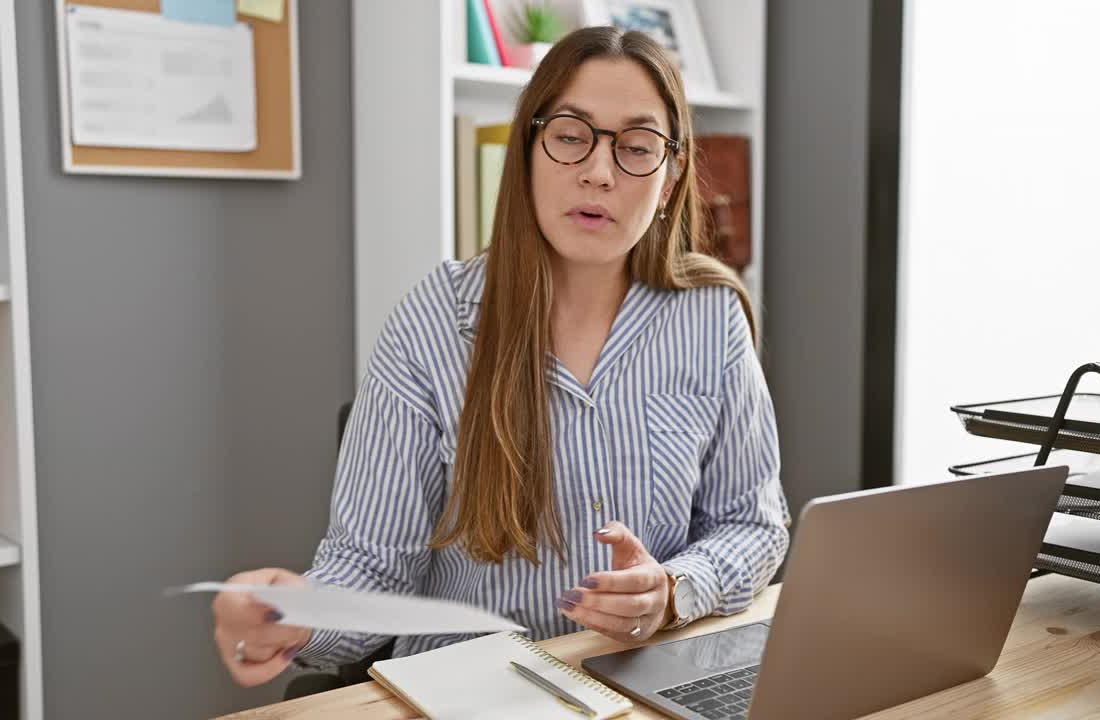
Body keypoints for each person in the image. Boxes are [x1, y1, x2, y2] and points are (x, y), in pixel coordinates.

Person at [211, 25, 790, 688]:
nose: (599, 172)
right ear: (528, 150)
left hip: (640, 686)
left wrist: (673, 589)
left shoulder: (710, 317)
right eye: (571, 136)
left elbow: (753, 524)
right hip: (469, 692)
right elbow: (370, 570)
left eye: (636, 147)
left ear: (669, 179)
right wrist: (295, 614)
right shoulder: (435, 320)